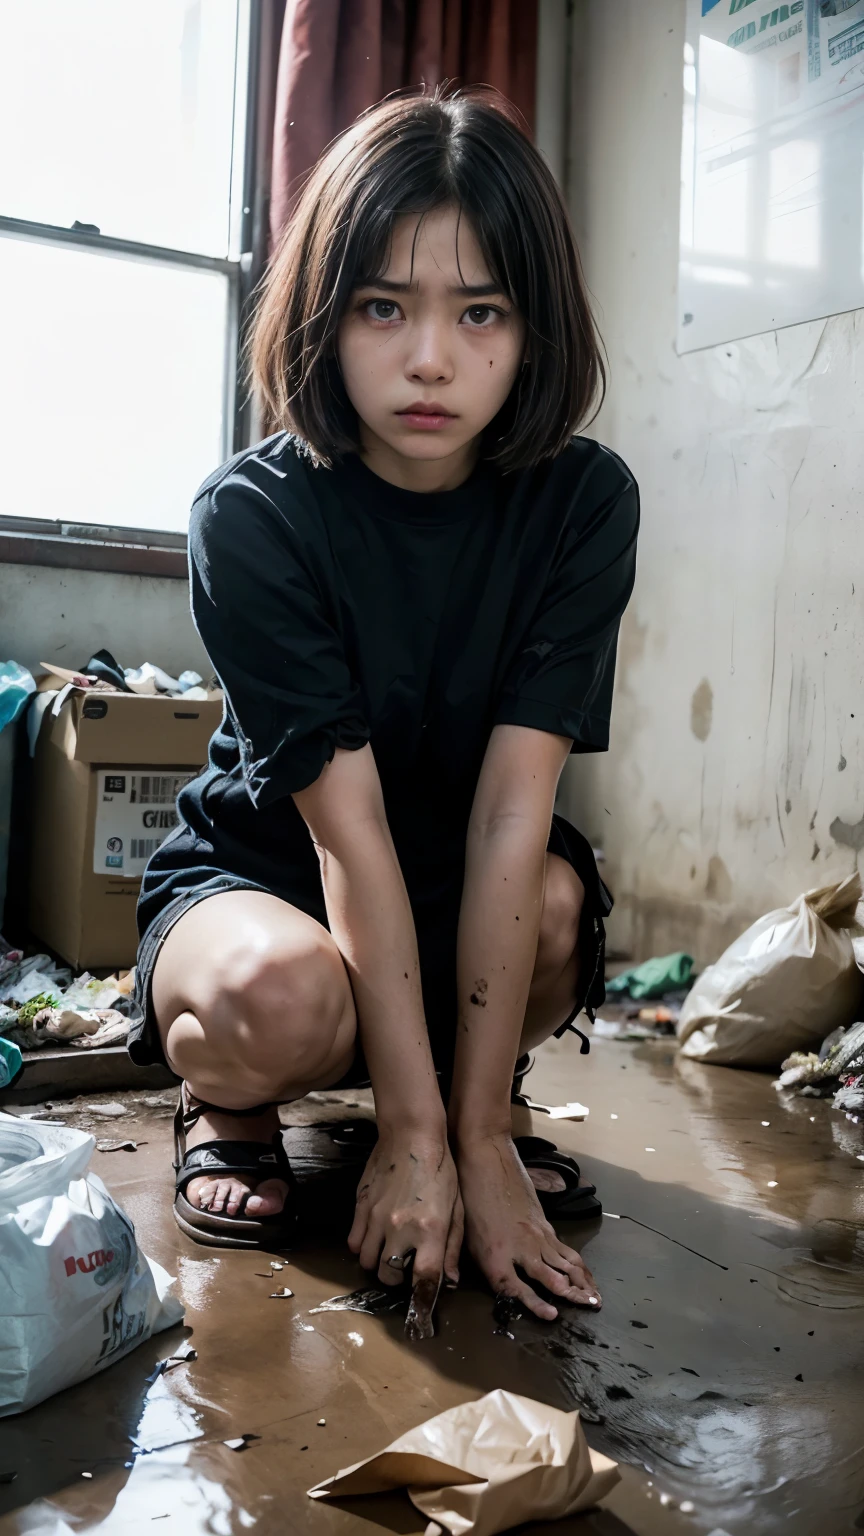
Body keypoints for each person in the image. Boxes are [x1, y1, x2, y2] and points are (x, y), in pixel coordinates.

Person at [129, 87, 639, 1327]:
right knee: (276, 995)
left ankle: (481, 1101)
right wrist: (408, 1132)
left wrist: (473, 1143)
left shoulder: (582, 503)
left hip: (462, 875)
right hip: (275, 875)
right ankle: (236, 1105)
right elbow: (341, 834)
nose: (429, 360)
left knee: (560, 910)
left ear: (534, 329)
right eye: (382, 307)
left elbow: (515, 814)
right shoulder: (250, 516)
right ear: (323, 311)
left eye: (481, 312)